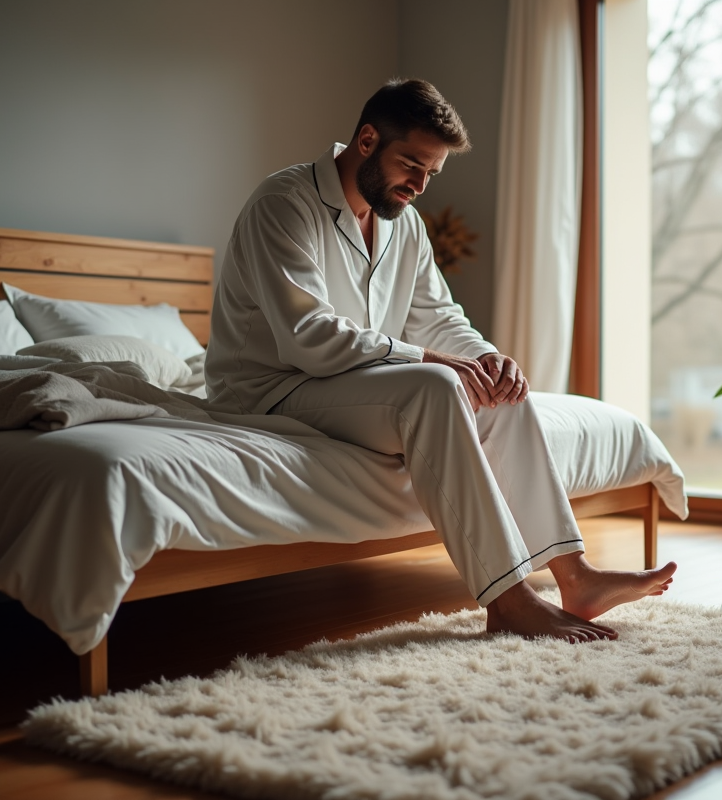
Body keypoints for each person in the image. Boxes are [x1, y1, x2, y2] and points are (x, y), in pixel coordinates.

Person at [205, 78, 676, 643]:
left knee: (495, 391)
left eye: (431, 174)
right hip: (270, 388)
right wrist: (432, 360)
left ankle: (576, 577)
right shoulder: (283, 205)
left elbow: (438, 316)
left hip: (345, 380)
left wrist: (487, 359)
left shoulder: (402, 222)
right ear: (366, 140)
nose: (420, 185)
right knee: (434, 386)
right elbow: (308, 336)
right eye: (411, 165)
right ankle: (509, 600)